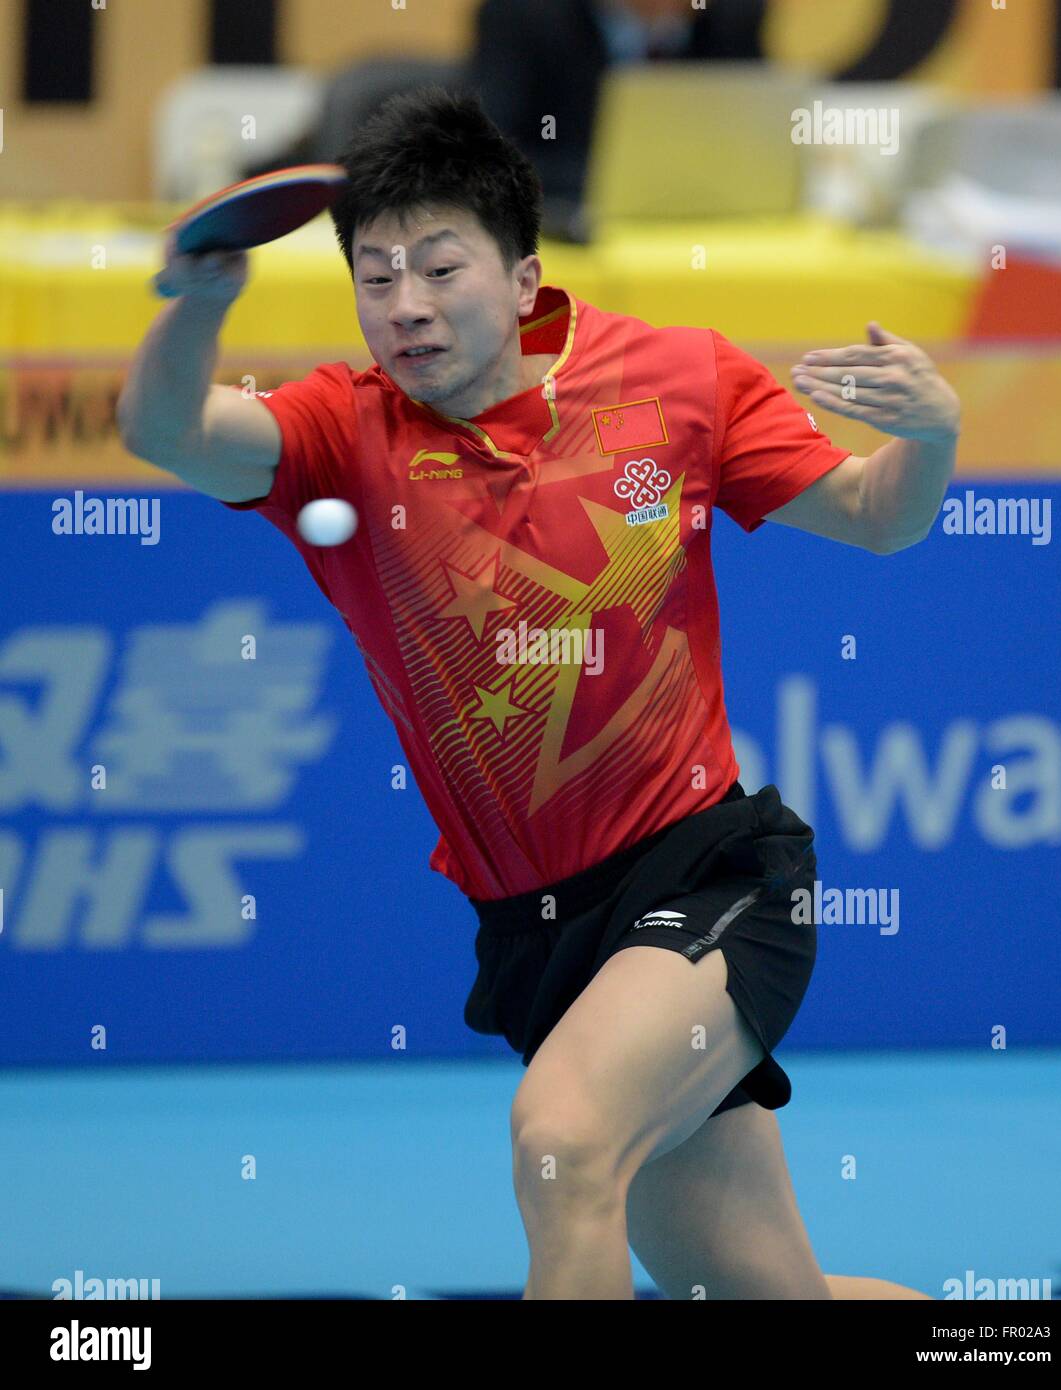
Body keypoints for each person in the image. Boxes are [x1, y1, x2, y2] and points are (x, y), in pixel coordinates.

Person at [118, 87, 958, 1300]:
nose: (404, 306)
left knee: (563, 1148)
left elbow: (881, 518)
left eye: (439, 268)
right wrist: (198, 306)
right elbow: (166, 431)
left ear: (521, 277)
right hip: (538, 931)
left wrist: (929, 439)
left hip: (709, 878)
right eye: (374, 276)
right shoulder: (340, 432)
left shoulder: (681, 382)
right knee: (775, 1301)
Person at [469, 0, 768, 239]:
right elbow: (486, 156)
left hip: (699, 236)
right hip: (573, 232)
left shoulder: (735, 14)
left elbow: (753, 137)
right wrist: (613, 183)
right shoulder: (522, 14)